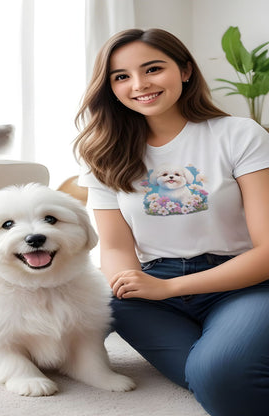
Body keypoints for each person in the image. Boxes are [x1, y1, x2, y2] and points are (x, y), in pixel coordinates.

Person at [74, 28, 269, 416]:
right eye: (121, 76)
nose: (140, 84)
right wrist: (132, 285)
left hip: (240, 282)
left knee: (221, 381)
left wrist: (171, 288)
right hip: (149, 291)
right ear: (109, 87)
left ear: (184, 71)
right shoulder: (102, 155)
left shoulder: (238, 135)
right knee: (217, 376)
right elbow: (114, 247)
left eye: (153, 69)